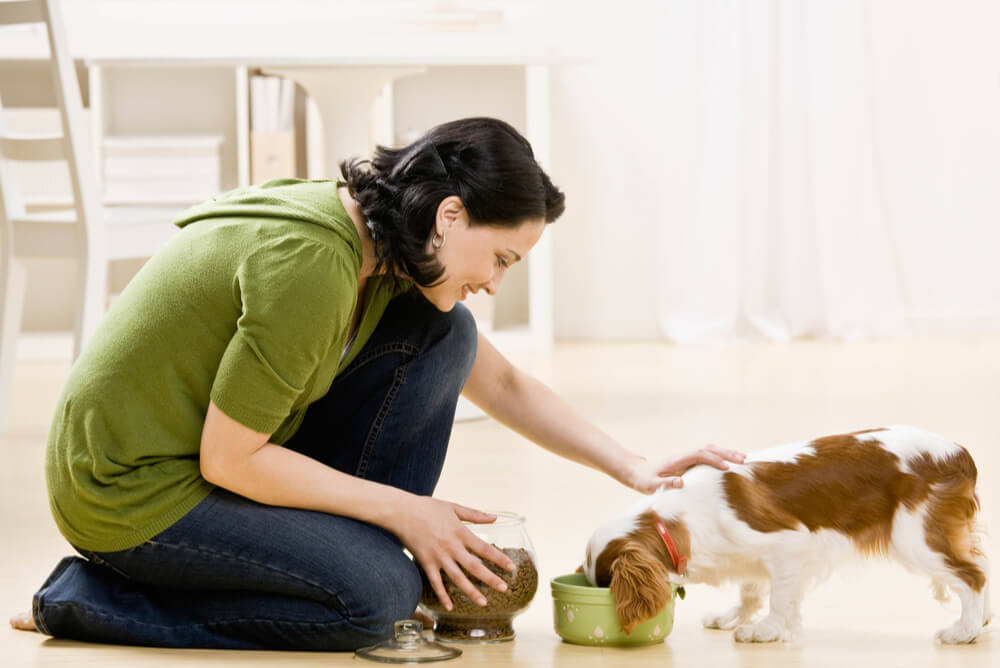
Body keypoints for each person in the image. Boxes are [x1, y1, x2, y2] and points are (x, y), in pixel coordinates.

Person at [10, 117, 744, 650]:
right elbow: (228, 460)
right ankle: (87, 599)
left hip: (212, 460)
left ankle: (352, 554)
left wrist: (634, 468)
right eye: (502, 259)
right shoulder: (312, 264)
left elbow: (506, 386)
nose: (493, 282)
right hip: (130, 492)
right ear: (452, 215)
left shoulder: (389, 245)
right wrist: (404, 512)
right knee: (377, 604)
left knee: (446, 333)